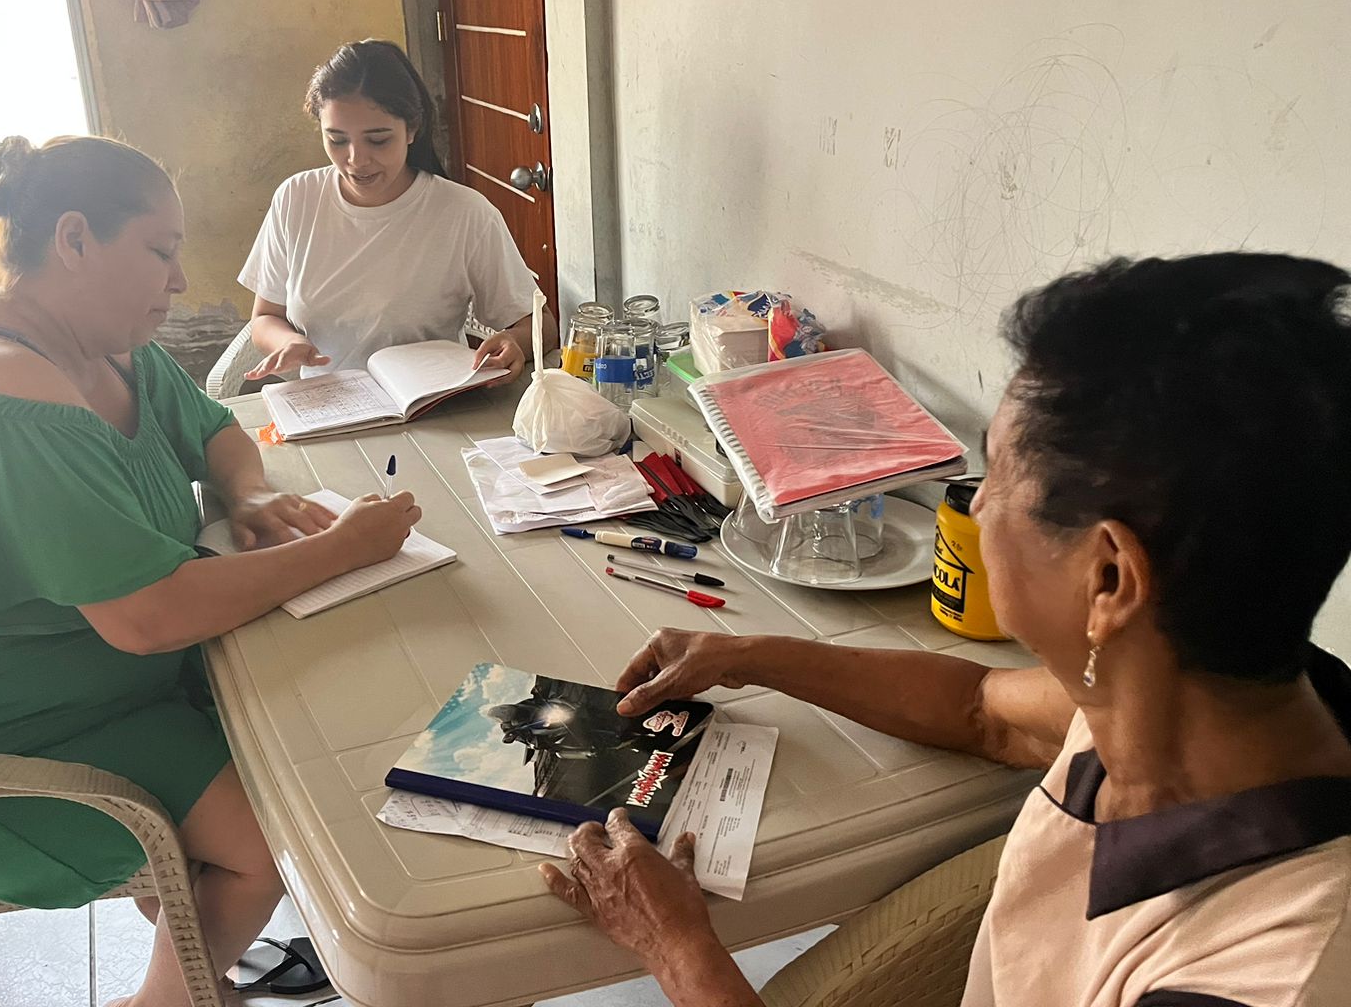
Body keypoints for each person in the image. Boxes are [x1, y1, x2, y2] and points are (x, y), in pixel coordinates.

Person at [540, 253, 1351, 1007]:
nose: (980, 506)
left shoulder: (1273, 970)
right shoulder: (1199, 691)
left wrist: (678, 948)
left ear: (1107, 580)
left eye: (998, 476)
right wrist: (746, 655)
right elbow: (982, 710)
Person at [0, 135, 422, 1007]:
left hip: (82, 691)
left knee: (307, 721)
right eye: (160, 250)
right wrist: (339, 549)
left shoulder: (102, 344)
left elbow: (214, 427)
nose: (179, 280)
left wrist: (251, 494)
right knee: (279, 834)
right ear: (74, 239)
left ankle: (191, 950)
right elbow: (147, 616)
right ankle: (166, 998)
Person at [238, 39, 552, 382]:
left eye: (378, 140)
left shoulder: (464, 213)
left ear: (412, 129)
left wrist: (515, 343)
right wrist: (289, 342)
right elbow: (265, 317)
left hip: (431, 404)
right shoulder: (296, 198)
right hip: (330, 402)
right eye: (337, 140)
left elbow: (540, 325)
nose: (357, 160)